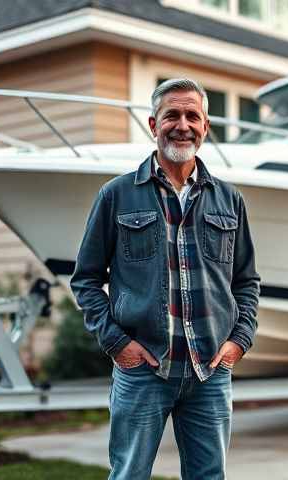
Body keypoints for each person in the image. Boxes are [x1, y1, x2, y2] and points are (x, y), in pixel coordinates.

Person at [70, 78, 260, 480]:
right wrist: (118, 344)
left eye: (193, 115)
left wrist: (238, 342)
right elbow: (86, 280)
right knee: (129, 475)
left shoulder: (230, 199)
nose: (182, 124)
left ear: (206, 127)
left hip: (209, 371)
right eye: (172, 115)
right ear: (154, 125)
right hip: (143, 371)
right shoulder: (116, 195)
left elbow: (246, 282)